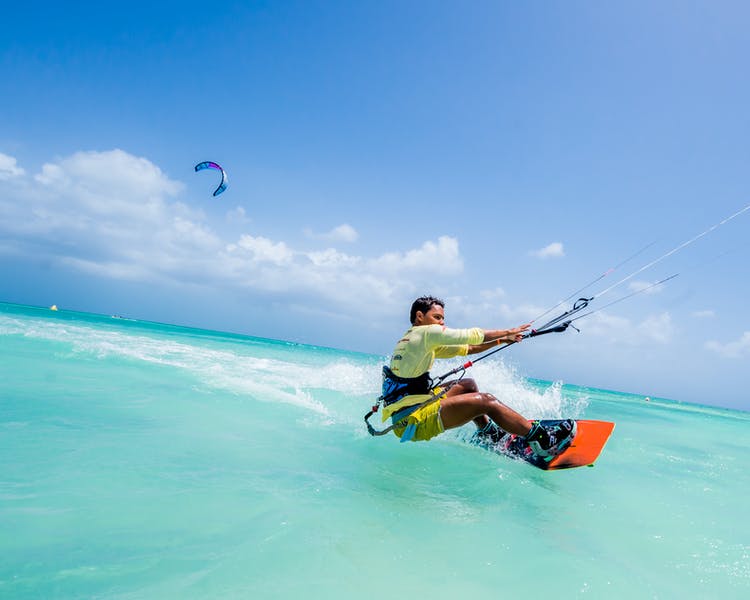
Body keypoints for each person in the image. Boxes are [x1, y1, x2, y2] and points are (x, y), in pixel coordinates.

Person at [380, 295, 576, 457]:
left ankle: (488, 433)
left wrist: (501, 340)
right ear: (419, 316)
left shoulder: (414, 339)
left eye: (442, 319)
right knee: (486, 401)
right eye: (437, 317)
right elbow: (470, 335)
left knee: (467, 385)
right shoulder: (425, 334)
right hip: (412, 420)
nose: (441, 323)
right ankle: (541, 440)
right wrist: (508, 331)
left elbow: (469, 348)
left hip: (413, 408)